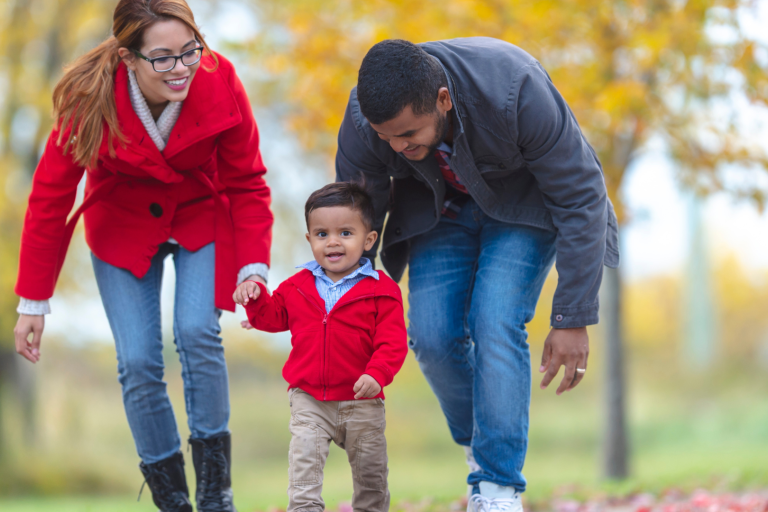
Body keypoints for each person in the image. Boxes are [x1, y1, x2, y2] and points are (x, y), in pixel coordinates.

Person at [335, 38, 620, 511]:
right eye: (386, 137)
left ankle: (497, 488)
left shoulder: (516, 88)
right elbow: (354, 211)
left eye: (408, 134)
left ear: (442, 100)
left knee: (495, 319)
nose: (397, 147)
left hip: (521, 210)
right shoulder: (368, 121)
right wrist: (350, 299)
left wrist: (572, 316)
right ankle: (483, 451)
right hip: (436, 212)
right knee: (430, 335)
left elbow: (581, 196)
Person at [11, 1, 273, 510]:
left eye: (189, 51)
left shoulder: (221, 79)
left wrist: (253, 265)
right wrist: (33, 301)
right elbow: (50, 195)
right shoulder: (89, 98)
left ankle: (216, 495)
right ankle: (172, 500)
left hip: (201, 211)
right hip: (122, 225)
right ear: (128, 58)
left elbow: (246, 180)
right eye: (162, 58)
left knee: (197, 331)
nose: (181, 68)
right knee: (136, 361)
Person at [233, 182, 407, 512]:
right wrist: (255, 297)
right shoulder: (296, 286)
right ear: (310, 239)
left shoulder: (382, 291)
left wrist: (378, 373)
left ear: (368, 240)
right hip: (309, 399)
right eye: (322, 234)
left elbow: (392, 342)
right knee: (303, 475)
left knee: (371, 480)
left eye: (345, 232)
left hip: (362, 402)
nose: (333, 242)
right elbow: (273, 317)